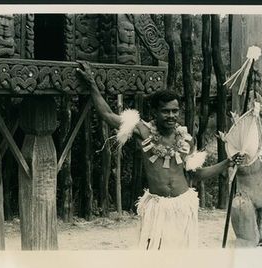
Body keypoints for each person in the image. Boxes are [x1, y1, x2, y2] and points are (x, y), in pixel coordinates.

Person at [76, 61, 244, 250]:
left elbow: (194, 175)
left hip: (182, 206)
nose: (171, 116)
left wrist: (226, 163)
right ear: (154, 112)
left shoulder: (186, 139)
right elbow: (107, 113)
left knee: (180, 259)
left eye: (175, 111)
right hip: (157, 208)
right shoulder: (142, 131)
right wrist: (91, 82)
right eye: (165, 111)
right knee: (153, 254)